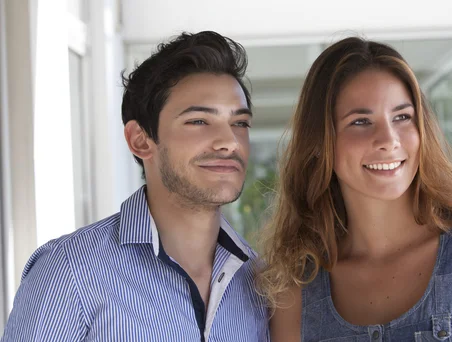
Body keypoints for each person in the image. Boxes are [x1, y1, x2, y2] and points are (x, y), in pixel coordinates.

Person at [258, 36, 452, 341]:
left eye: (402, 117)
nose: (389, 139)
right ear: (320, 144)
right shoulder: (296, 287)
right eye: (361, 121)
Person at [2, 31, 269, 341]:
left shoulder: (261, 284)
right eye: (199, 121)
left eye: (240, 123)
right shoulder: (70, 272)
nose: (229, 142)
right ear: (141, 140)